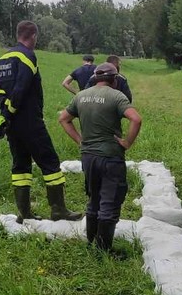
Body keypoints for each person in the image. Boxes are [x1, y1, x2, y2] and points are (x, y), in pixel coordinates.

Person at [0, 20, 82, 222]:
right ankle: (58, 210)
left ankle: (24, 213)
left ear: (18, 34)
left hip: (11, 125)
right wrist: (9, 111)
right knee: (50, 162)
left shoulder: (2, 59)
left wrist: (4, 113)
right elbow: (21, 88)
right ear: (34, 36)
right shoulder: (28, 56)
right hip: (30, 121)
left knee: (20, 165)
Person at [58, 62, 142, 253]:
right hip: (110, 157)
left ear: (95, 78)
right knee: (109, 202)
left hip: (88, 157)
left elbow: (63, 118)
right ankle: (103, 251)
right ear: (114, 80)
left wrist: (80, 141)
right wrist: (127, 142)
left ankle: (91, 242)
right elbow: (136, 119)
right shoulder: (116, 96)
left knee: (94, 198)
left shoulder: (81, 95)